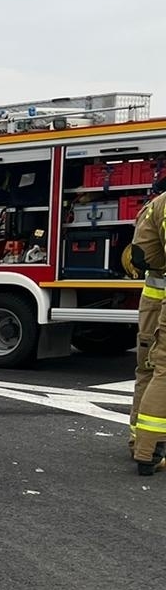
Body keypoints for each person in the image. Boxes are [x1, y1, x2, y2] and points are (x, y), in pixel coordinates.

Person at [126, 172, 166, 474]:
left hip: (153, 300)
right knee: (162, 371)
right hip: (160, 302)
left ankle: (139, 441)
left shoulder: (152, 206)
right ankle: (149, 450)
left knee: (147, 370)